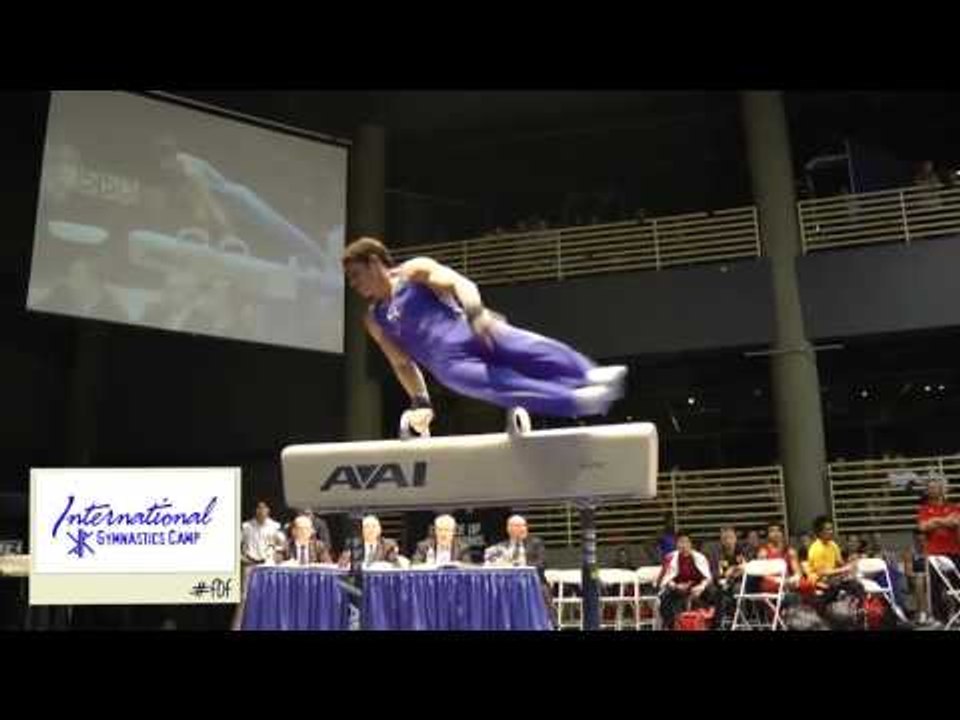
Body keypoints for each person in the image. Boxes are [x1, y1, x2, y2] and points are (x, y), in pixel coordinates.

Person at [341, 237, 627, 433]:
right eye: (349, 278)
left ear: (375, 261)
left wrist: (477, 314)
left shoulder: (413, 272)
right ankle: (580, 400)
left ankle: (589, 374)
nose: (353, 284)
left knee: (524, 345)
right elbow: (402, 363)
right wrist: (421, 402)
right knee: (507, 385)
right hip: (449, 366)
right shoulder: (373, 318)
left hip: (467, 328)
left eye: (355, 274)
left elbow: (459, 282)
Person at [917, 475, 960, 624]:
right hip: (934, 554)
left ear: (942, 489)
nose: (931, 490)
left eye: (935, 487)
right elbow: (922, 527)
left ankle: (957, 615)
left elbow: (956, 521)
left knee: (956, 584)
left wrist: (934, 521)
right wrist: (945, 521)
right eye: (929, 488)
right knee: (935, 587)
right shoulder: (924, 509)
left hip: (954, 551)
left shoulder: (954, 506)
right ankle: (939, 618)